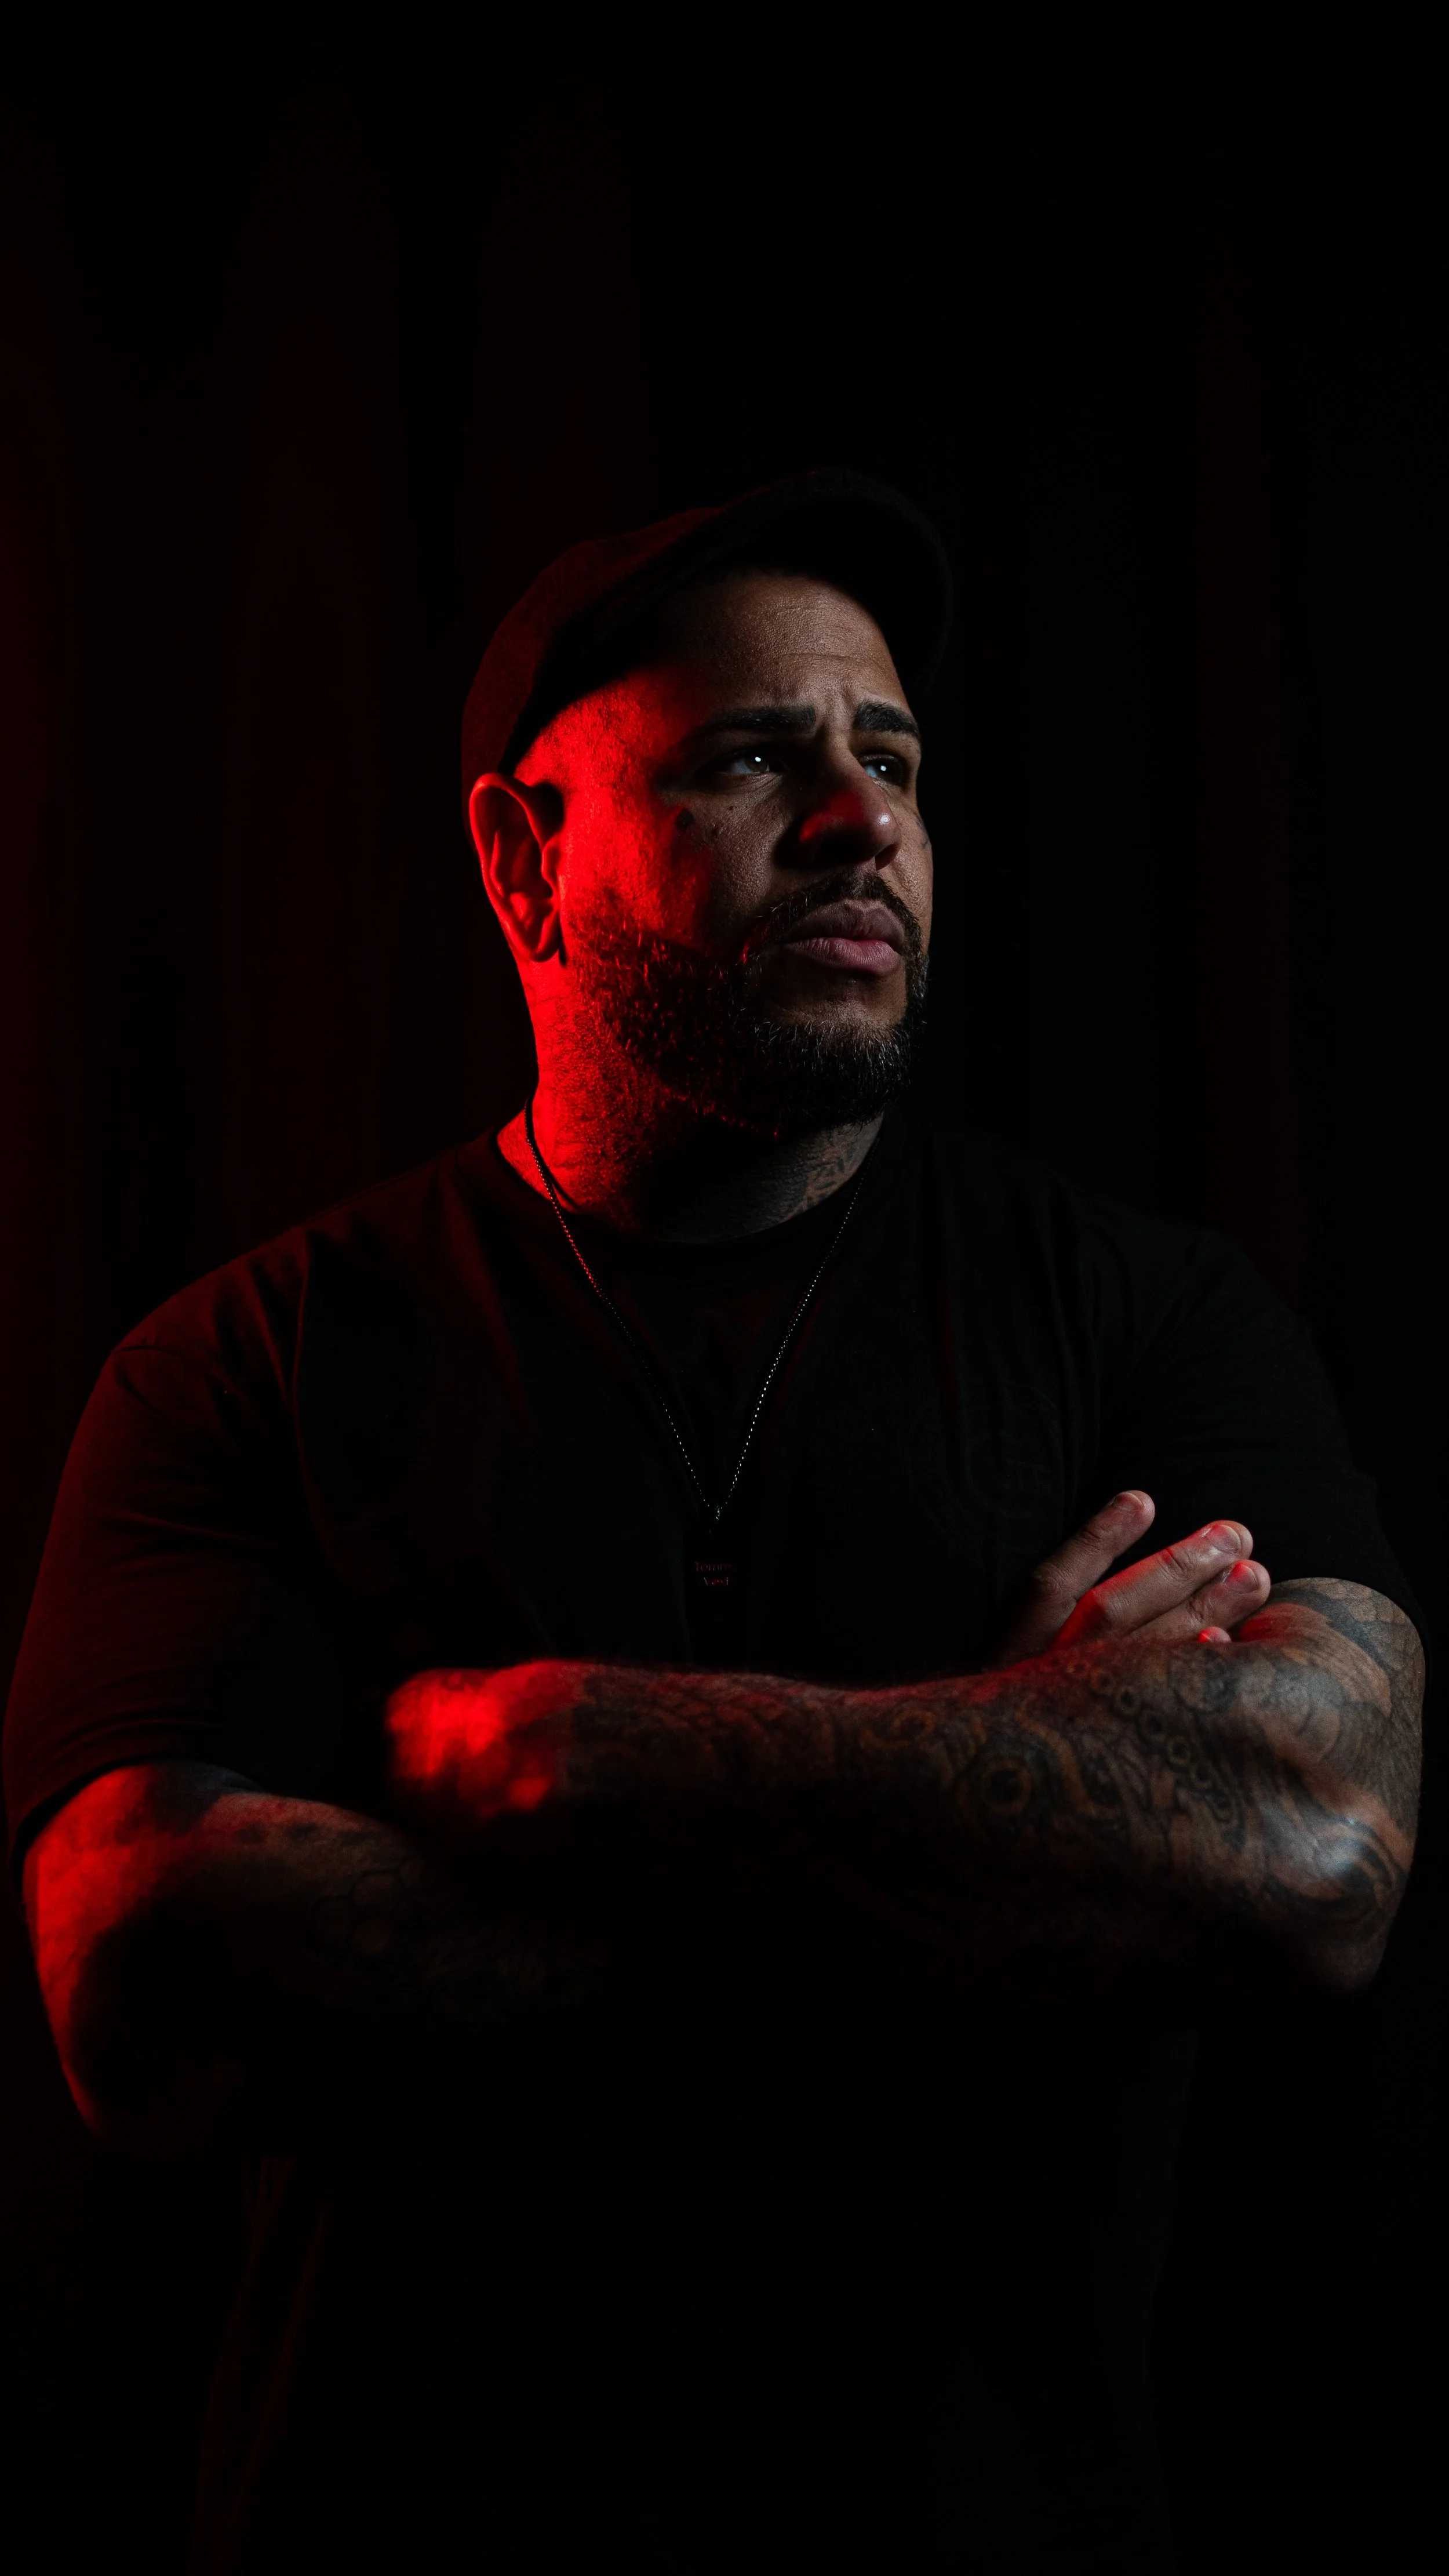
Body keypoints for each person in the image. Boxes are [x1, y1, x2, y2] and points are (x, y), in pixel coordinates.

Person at [6, 471, 1425, 2572]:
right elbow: (152, 1974)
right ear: (525, 861)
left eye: (894, 762)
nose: (860, 821)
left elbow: (1318, 1845)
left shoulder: (1150, 1320)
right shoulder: (244, 1365)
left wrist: (588, 1752)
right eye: (755, 757)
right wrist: (1013, 1774)